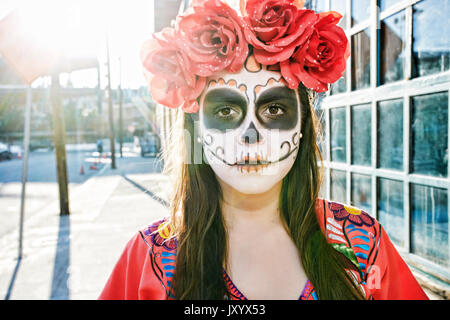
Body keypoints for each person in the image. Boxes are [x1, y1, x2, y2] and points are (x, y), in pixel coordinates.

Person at [99, 0, 428, 300]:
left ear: (303, 127)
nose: (252, 135)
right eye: (226, 112)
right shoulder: (146, 259)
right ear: (197, 130)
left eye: (274, 110)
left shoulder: (364, 240)